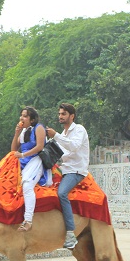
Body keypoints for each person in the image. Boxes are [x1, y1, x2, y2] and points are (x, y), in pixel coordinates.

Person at [46, 103, 89, 250]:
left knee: (62, 193)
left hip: (76, 171)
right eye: (59, 114)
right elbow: (60, 155)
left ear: (72, 116)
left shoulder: (79, 129)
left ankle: (70, 233)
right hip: (63, 169)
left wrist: (55, 136)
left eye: (63, 114)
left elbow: (74, 147)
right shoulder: (62, 135)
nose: (60, 116)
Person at [11, 106, 52, 232]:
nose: (21, 118)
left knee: (27, 185)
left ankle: (28, 220)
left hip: (36, 161)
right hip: (23, 162)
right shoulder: (23, 132)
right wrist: (17, 133)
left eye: (25, 116)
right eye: (21, 115)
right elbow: (13, 150)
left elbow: (40, 147)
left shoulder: (39, 128)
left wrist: (23, 155)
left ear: (32, 119)